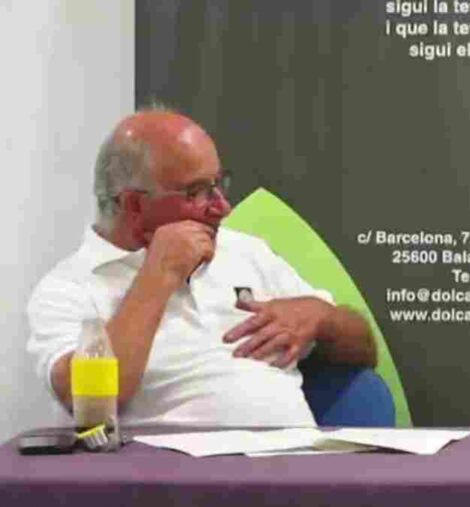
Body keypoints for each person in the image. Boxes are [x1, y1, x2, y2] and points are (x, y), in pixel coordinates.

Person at [27, 108, 376, 427]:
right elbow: (90, 400)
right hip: (168, 472)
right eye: (196, 192)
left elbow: (364, 349)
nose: (222, 207)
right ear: (134, 204)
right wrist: (158, 276)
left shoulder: (246, 252)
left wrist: (321, 317)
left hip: (296, 459)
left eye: (218, 185)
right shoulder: (69, 288)